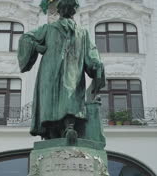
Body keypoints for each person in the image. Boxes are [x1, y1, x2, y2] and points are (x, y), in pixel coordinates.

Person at [18, 0, 105, 142]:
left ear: (74, 10)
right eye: (63, 7)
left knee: (70, 97)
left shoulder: (82, 33)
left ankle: (69, 128)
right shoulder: (48, 29)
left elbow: (91, 53)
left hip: (73, 72)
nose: (66, 10)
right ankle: (50, 135)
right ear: (59, 11)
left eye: (69, 7)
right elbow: (26, 38)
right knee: (49, 103)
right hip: (50, 73)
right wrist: (36, 46)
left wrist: (96, 65)